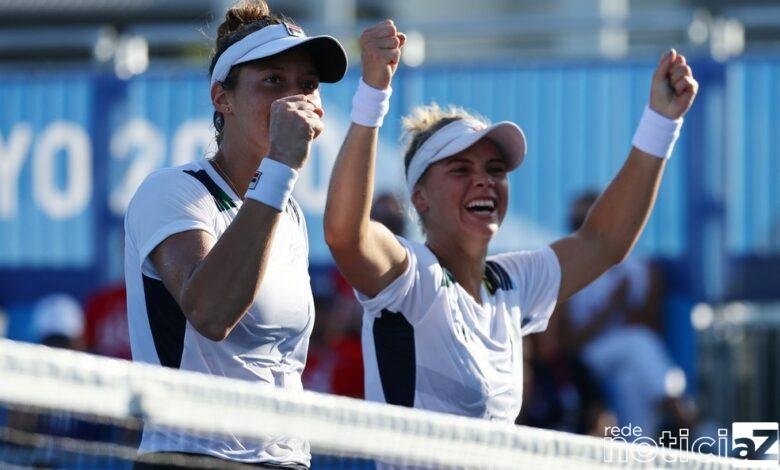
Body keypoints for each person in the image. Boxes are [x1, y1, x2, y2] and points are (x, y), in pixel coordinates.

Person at [324, 19, 697, 424]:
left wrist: (662, 121)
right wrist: (373, 93)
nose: (484, 179)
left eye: (495, 168)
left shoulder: (511, 281)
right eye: (460, 169)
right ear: (420, 197)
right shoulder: (411, 276)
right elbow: (346, 234)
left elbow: (603, 242)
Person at [123, 0, 346, 467]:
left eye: (307, 84)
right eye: (273, 81)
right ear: (222, 98)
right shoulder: (173, 190)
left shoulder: (290, 214)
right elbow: (210, 312)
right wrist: (280, 167)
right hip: (191, 457)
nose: (296, 98)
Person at [555, 191, 691, 438]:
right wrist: (611, 307)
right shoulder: (563, 269)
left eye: (589, 219)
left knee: (630, 380)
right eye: (576, 223)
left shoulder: (637, 267)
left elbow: (653, 327)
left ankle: (641, 455)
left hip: (627, 361)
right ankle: (682, 411)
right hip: (589, 360)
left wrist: (630, 306)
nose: (582, 229)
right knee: (638, 345)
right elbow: (567, 343)